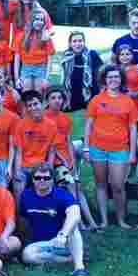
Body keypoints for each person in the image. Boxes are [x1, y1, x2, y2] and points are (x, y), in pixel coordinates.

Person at [84, 65, 138, 230]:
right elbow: (88, 125)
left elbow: (133, 128)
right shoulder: (96, 100)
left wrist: (132, 153)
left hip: (119, 149)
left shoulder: (127, 101)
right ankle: (104, 220)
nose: (113, 80)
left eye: (116, 77)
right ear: (105, 80)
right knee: (101, 185)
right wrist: (86, 148)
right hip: (97, 148)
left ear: (121, 79)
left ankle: (121, 219)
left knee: (117, 186)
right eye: (110, 77)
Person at [20, 163, 88, 276]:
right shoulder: (26, 195)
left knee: (74, 227)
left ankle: (79, 268)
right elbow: (23, 220)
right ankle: (69, 259)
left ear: (52, 180)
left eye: (46, 178)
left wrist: (63, 235)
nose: (42, 180)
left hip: (63, 241)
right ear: (32, 179)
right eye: (38, 178)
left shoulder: (62, 194)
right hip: (43, 244)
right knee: (27, 256)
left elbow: (75, 213)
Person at [44, 87, 98, 230]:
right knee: (71, 186)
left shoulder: (65, 118)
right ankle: (78, 221)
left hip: (67, 160)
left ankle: (90, 221)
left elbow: (68, 141)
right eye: (53, 98)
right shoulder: (44, 118)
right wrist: (64, 162)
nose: (57, 101)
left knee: (77, 187)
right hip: (55, 161)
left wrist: (72, 161)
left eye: (59, 98)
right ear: (47, 100)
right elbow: (51, 145)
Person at [12, 91, 56, 199]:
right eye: (29, 106)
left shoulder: (51, 125)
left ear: (43, 104)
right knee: (18, 188)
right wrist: (17, 171)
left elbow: (52, 150)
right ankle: (19, 215)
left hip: (41, 165)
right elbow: (18, 151)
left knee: (46, 187)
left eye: (35, 104)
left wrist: (49, 168)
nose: (33, 108)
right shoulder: (21, 124)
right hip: (24, 166)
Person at [13, 9, 55, 93]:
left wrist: (46, 78)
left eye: (41, 20)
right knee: (26, 92)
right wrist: (17, 78)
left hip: (40, 68)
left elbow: (50, 60)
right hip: (26, 68)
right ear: (31, 20)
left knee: (38, 93)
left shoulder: (46, 37)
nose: (39, 22)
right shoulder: (22, 36)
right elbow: (17, 59)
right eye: (36, 19)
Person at [60, 31, 103, 112]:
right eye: (74, 41)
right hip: (72, 93)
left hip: (90, 92)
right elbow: (64, 78)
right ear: (70, 43)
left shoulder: (92, 54)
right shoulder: (66, 56)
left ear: (84, 42)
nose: (78, 44)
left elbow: (99, 74)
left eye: (80, 41)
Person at [117, 44, 138, 116]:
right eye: (122, 54)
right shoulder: (114, 70)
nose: (125, 57)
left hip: (135, 105)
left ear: (132, 55)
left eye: (127, 54)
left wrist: (133, 94)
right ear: (118, 56)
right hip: (119, 105)